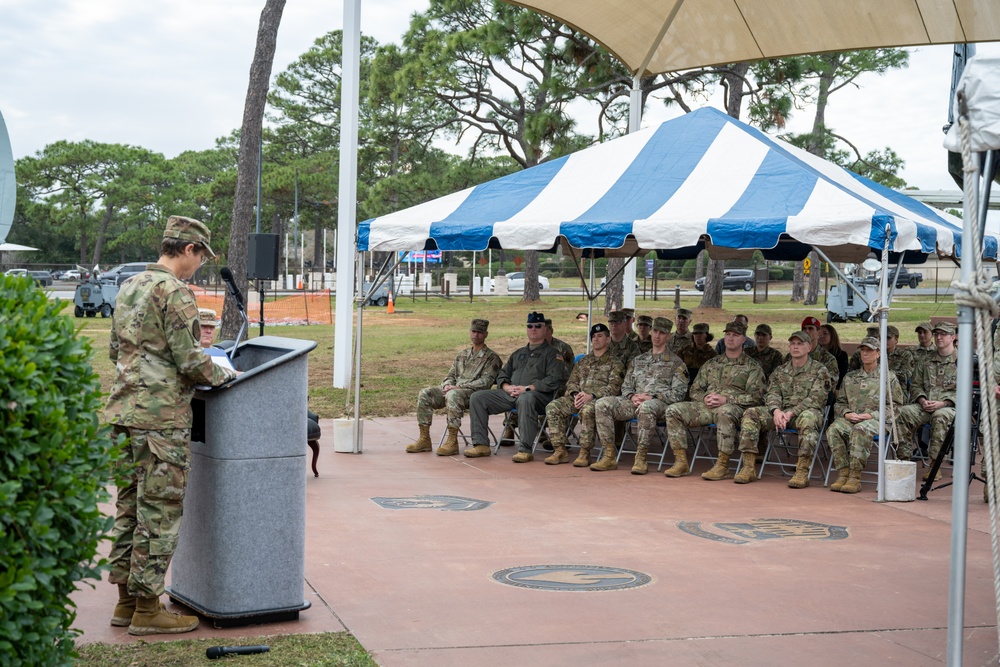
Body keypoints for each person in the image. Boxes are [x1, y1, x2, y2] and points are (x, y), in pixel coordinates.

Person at [104, 216, 238, 635]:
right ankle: (148, 610)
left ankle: (125, 602)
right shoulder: (174, 292)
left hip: (123, 415)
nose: (199, 265)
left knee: (129, 508)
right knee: (159, 511)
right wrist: (226, 374)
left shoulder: (130, 286)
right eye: (201, 257)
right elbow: (190, 361)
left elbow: (115, 351)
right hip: (161, 423)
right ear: (189, 249)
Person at [664, 321, 766, 480]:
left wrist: (727, 399)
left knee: (725, 412)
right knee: (673, 410)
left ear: (744, 339)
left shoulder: (752, 366)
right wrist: (704, 398)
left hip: (734, 408)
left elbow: (756, 397)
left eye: (735, 335)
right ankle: (681, 462)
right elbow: (695, 389)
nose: (730, 338)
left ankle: (723, 465)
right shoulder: (712, 363)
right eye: (728, 334)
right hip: (706, 407)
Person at [734, 331, 833, 486]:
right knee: (751, 413)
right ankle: (748, 467)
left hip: (804, 413)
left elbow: (817, 398)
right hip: (781, 414)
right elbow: (772, 392)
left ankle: (802, 471)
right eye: (793, 343)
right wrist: (776, 411)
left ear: (809, 347)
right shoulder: (781, 371)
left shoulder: (820, 370)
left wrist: (791, 412)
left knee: (809, 419)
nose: (795, 347)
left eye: (800, 344)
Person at [465, 312, 568, 462]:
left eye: (538, 326)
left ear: (545, 329)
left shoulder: (553, 354)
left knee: (525, 399)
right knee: (478, 398)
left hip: (538, 397)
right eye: (530, 326)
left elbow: (553, 380)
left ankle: (525, 449)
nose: (533, 329)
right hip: (512, 394)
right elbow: (502, 374)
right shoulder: (519, 353)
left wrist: (526, 388)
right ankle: (481, 444)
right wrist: (506, 387)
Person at [593, 317, 689, 473]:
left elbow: (679, 394)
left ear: (668, 336)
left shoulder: (676, 363)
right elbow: (626, 386)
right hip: (634, 401)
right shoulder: (638, 360)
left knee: (647, 407)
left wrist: (654, 397)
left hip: (660, 405)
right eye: (655, 331)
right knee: (602, 404)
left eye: (662, 333)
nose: (657, 336)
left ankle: (641, 458)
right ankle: (609, 456)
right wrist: (632, 396)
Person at [406, 319, 502, 456]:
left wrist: (457, 387)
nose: (476, 335)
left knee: (453, 395)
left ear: (486, 334)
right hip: (453, 391)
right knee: (425, 393)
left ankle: (452, 441)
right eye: (474, 331)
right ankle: (424, 439)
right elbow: (450, 375)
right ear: (470, 332)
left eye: (480, 332)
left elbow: (485, 382)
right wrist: (447, 385)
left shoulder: (492, 358)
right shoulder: (462, 355)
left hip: (475, 396)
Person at [826, 336, 904, 494]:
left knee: (860, 430)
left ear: (878, 353)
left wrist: (872, 415)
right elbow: (840, 403)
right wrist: (847, 414)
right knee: (834, 429)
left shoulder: (888, 378)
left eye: (869, 350)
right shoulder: (850, 377)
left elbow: (895, 406)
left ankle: (855, 476)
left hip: (877, 421)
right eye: (863, 350)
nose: (865, 353)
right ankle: (843, 472)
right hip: (852, 419)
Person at [543, 323, 624, 466]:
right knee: (553, 407)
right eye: (593, 336)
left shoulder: (615, 363)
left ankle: (585, 452)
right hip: (578, 398)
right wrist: (575, 394)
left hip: (598, 400)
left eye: (600, 336)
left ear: (608, 339)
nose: (596, 339)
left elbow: (614, 388)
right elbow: (572, 381)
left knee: (588, 410)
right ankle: (560, 449)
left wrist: (591, 395)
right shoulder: (583, 361)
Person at [894, 322, 958, 479]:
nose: (939, 337)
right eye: (936, 334)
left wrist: (944, 403)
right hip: (925, 406)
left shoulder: (963, 361)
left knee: (940, 416)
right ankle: (904, 461)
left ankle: (935, 465)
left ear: (953, 337)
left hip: (949, 408)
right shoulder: (926, 360)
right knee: (902, 413)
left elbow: (966, 391)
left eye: (943, 334)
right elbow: (915, 385)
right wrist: (922, 401)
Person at [783, 316, 840, 384]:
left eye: (811, 329)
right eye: (804, 329)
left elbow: (830, 384)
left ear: (818, 333)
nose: (807, 331)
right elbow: (781, 377)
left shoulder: (828, 359)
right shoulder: (790, 356)